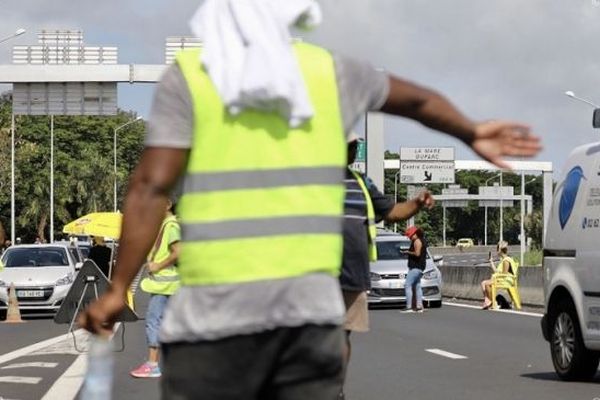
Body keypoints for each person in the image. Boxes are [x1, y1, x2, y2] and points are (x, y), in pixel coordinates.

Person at [79, 1, 542, 398]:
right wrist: (471, 130)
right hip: (308, 322)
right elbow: (417, 101)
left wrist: (119, 288)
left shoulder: (193, 76)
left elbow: (150, 188)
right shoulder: (332, 73)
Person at [339, 135, 434, 397]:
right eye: (347, 145)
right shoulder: (307, 180)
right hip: (314, 277)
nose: (352, 151)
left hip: (351, 278)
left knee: (341, 338)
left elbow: (392, 211)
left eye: (354, 146)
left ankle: (336, 389)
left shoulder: (361, 183)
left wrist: (416, 203)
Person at [130, 199, 180, 378]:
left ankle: (152, 365)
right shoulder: (164, 226)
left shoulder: (171, 226)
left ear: (168, 204)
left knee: (153, 322)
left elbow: (178, 252)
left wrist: (158, 266)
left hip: (165, 284)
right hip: (165, 284)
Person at [481, 240, 517, 310]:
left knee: (487, 284)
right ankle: (489, 301)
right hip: (502, 279)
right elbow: (497, 271)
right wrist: (491, 262)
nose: (496, 251)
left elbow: (504, 274)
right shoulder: (503, 260)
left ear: (500, 250)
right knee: (484, 283)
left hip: (506, 280)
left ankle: (494, 302)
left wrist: (495, 277)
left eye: (497, 249)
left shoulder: (506, 260)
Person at [403, 226, 428, 312]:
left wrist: (407, 252)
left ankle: (409, 306)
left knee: (407, 285)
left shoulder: (417, 241)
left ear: (415, 234)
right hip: (420, 267)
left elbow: (417, 254)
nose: (409, 238)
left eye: (410, 236)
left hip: (415, 267)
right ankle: (419, 306)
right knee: (417, 286)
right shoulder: (421, 240)